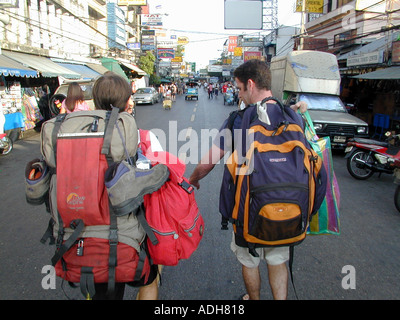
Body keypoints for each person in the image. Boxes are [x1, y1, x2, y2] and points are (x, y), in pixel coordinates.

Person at [189, 59, 307, 300]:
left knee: (249, 260)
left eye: (240, 88)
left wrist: (193, 179)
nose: (239, 94)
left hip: (247, 209)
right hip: (288, 206)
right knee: (277, 261)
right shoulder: (295, 118)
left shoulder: (238, 120)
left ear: (251, 85)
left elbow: (209, 161)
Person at [91, 71, 160, 300]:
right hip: (124, 231)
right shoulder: (132, 132)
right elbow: (143, 177)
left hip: (83, 232)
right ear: (122, 100)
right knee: (150, 277)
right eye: (129, 97)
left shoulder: (78, 133)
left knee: (103, 291)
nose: (132, 101)